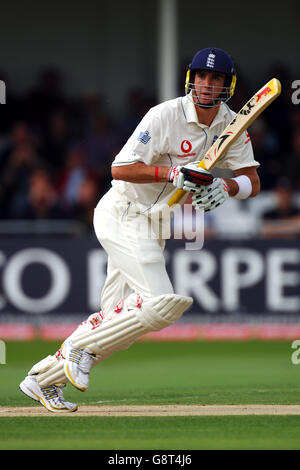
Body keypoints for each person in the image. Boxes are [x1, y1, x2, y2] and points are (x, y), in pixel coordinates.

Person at [19, 47, 260, 412]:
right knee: (162, 302)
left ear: (228, 85)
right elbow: (120, 168)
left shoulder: (231, 124)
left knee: (119, 324)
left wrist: (224, 187)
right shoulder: (164, 115)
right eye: (201, 76)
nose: (207, 85)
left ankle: (41, 379)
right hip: (122, 212)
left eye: (216, 79)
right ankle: (78, 349)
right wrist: (173, 173)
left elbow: (252, 181)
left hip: (157, 223)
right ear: (190, 79)